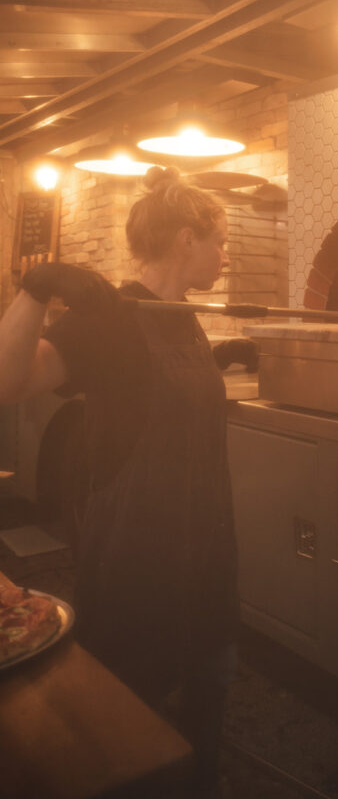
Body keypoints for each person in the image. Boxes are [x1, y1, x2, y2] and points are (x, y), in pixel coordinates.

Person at [0, 165, 258, 797]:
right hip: (137, 561)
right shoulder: (110, 316)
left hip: (207, 549)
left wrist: (221, 358)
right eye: (220, 240)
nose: (226, 255)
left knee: (207, 702)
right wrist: (34, 292)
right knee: (125, 728)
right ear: (185, 240)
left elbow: (153, 390)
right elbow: (7, 384)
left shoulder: (182, 316)